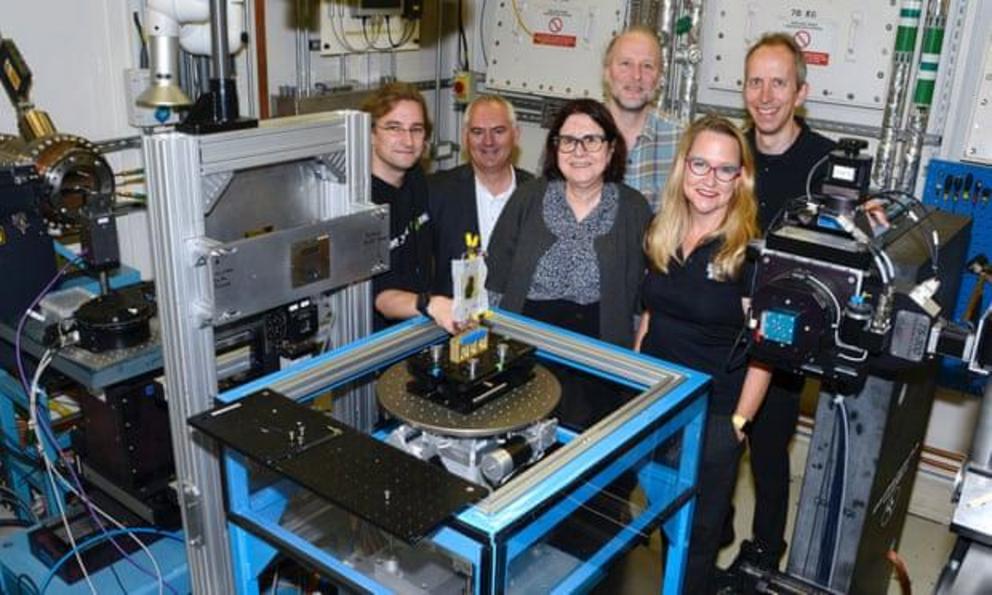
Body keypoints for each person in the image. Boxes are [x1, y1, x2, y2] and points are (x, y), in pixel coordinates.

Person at [635, 115, 772, 594]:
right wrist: (636, 383)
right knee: (663, 520)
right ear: (682, 167)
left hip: (713, 415)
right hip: (654, 405)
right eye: (700, 165)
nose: (709, 180)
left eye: (724, 170)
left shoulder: (749, 256)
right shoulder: (660, 231)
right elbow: (650, 316)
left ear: (741, 180)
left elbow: (764, 352)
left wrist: (737, 425)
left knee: (696, 537)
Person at [734, 32, 836, 572]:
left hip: (780, 339)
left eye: (779, 83)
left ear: (800, 92)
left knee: (768, 455)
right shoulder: (730, 153)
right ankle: (710, 528)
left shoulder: (827, 166)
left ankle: (764, 557)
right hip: (721, 322)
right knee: (714, 443)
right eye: (756, 82)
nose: (766, 95)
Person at [486, 98, 652, 427]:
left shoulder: (634, 209)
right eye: (568, 141)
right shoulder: (527, 198)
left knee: (587, 449)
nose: (579, 151)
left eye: (591, 140)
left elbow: (640, 293)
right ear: (555, 147)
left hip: (599, 358)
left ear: (611, 148)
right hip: (524, 350)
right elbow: (496, 278)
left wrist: (633, 356)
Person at [361, 81, 456, 333]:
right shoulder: (360, 203)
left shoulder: (415, 179)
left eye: (416, 129)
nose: (407, 140)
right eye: (394, 128)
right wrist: (431, 304)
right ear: (371, 134)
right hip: (378, 341)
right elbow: (381, 298)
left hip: (420, 325)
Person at [428, 95, 532, 297]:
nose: (488, 142)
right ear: (465, 137)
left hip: (516, 323)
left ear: (516, 135)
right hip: (454, 322)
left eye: (498, 131)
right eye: (477, 132)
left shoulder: (536, 194)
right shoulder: (436, 192)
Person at [603, 25, 681, 212]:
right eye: (625, 64)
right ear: (607, 72)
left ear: (660, 77)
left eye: (647, 66)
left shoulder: (682, 141)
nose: (636, 76)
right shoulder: (574, 136)